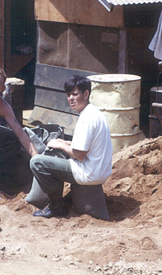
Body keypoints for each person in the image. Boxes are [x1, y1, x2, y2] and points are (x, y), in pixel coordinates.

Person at [29, 75, 113, 218]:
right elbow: (84, 146)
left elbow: (80, 154)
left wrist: (59, 146)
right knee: (59, 150)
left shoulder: (87, 119)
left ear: (86, 94)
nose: (71, 99)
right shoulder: (94, 113)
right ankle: (68, 199)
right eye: (68, 95)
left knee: (36, 162)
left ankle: (57, 207)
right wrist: (63, 143)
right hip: (99, 170)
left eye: (75, 94)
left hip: (89, 172)